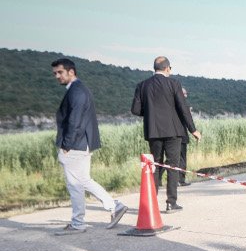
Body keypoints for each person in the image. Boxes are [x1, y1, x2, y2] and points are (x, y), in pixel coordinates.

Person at [51, 58, 128, 234]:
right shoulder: (79, 89)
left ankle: (78, 223)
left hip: (75, 145)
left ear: (71, 72)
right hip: (82, 143)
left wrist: (67, 145)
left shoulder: (76, 91)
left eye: (60, 72)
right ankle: (114, 206)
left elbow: (75, 121)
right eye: (55, 73)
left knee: (74, 184)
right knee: (83, 180)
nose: (57, 76)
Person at [132, 57, 201, 213]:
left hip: (153, 132)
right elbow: (183, 108)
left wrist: (150, 112)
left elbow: (135, 110)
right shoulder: (174, 83)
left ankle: (151, 203)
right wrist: (193, 130)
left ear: (155, 68)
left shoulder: (142, 85)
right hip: (173, 131)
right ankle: (171, 202)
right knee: (172, 166)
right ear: (167, 68)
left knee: (155, 166)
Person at [155, 86, 192, 188]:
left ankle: (158, 179)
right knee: (182, 159)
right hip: (181, 135)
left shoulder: (169, 105)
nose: (186, 96)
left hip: (171, 135)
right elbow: (186, 120)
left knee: (169, 160)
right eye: (184, 94)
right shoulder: (183, 106)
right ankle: (181, 180)